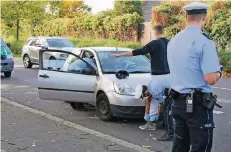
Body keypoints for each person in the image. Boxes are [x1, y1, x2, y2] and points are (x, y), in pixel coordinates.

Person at [167, 2, 222, 152]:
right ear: (204, 17)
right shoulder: (204, 42)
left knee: (180, 146)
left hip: (177, 102)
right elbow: (210, 79)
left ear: (186, 17)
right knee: (201, 147)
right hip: (197, 107)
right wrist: (219, 72)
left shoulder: (174, 40)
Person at [112, 25, 170, 130]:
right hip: (169, 76)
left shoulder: (155, 43)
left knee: (152, 99)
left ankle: (151, 123)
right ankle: (165, 123)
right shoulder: (170, 43)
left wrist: (120, 55)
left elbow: (138, 51)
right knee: (163, 99)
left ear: (155, 32)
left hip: (158, 77)